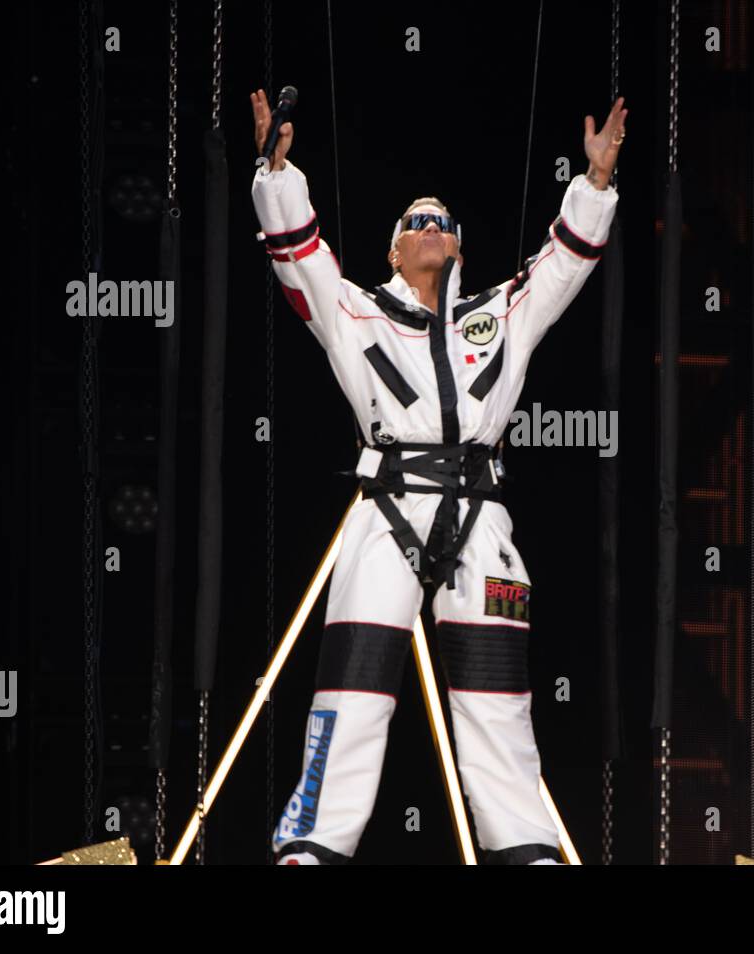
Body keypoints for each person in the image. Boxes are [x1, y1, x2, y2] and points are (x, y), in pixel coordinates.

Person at [249, 88, 626, 864]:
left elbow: (564, 267)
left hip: (481, 518)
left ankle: (526, 847)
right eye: (415, 222)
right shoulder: (357, 312)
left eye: (443, 223)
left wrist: (592, 185)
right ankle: (313, 847)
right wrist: (277, 173)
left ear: (460, 247)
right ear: (392, 250)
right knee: (351, 693)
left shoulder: (500, 314)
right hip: (385, 509)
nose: (430, 228)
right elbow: (300, 260)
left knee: (498, 702)